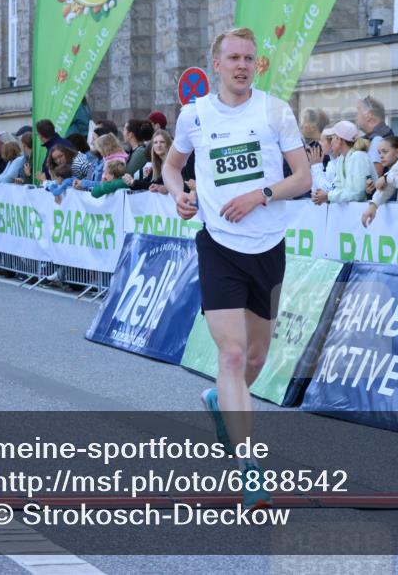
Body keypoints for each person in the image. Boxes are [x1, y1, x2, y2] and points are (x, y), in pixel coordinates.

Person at [162, 27, 311, 510]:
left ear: (257, 65)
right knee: (230, 355)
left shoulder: (274, 111)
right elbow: (171, 165)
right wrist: (179, 194)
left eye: (250, 57)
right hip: (218, 244)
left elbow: (303, 177)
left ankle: (218, 403)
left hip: (268, 245)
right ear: (217, 64)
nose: (242, 65)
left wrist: (259, 195)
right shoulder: (195, 115)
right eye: (234, 58)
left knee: (254, 361)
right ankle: (250, 467)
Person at [311, 121, 371, 205]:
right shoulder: (342, 158)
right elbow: (337, 187)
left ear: (340, 140)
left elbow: (358, 193)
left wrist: (328, 196)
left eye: (333, 138)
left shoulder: (358, 156)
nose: (331, 142)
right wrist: (324, 195)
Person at [356, 95, 393, 178]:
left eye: (358, 112)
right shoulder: (382, 135)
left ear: (369, 115)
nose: (356, 117)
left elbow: (374, 178)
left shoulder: (378, 139)